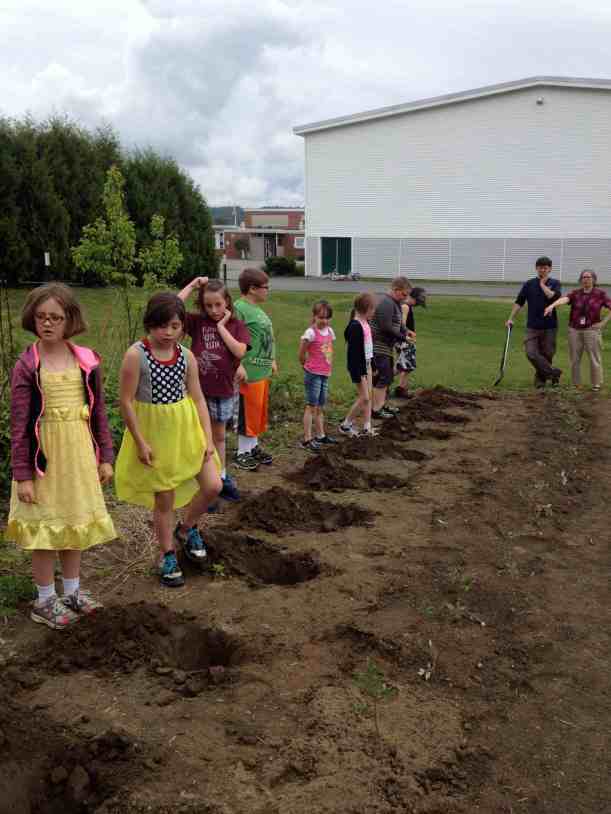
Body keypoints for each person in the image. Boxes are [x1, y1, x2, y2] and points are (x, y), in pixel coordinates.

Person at [7, 283, 116, 629]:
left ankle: (72, 592)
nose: (48, 323)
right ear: (32, 319)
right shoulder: (27, 366)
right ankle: (44, 600)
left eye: (56, 317)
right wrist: (23, 474)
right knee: (46, 529)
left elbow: (98, 414)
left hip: (79, 456)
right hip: (45, 462)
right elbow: (20, 425)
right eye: (41, 317)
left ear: (70, 320)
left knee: (73, 524)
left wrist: (105, 456)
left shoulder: (86, 361)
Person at [115, 292, 221, 588]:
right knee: (165, 499)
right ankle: (167, 554)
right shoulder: (137, 355)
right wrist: (139, 441)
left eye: (175, 326)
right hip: (155, 434)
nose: (168, 333)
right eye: (162, 326)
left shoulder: (186, 356)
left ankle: (186, 529)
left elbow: (198, 398)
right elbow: (124, 401)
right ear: (150, 324)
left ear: (182, 327)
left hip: (187, 430)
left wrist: (207, 437)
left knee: (213, 485)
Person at [178, 276, 251, 501]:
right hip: (197, 390)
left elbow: (239, 351)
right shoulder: (198, 322)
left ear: (227, 302)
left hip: (222, 390)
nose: (213, 310)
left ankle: (220, 477)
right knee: (199, 437)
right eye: (208, 305)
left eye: (218, 304)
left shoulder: (235, 325)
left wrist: (221, 326)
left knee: (218, 436)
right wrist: (191, 285)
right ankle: (203, 483)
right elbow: (173, 307)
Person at [233, 268, 277, 470]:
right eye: (265, 287)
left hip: (262, 372)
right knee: (247, 413)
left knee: (258, 413)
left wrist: (272, 359)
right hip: (248, 373)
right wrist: (238, 364)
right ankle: (242, 452)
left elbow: (266, 337)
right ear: (252, 289)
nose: (268, 291)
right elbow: (232, 339)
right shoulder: (239, 308)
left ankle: (253, 447)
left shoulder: (258, 310)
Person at [544, 269, 611, 391]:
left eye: (588, 277)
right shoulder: (576, 293)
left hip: (592, 330)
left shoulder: (600, 294)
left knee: (594, 358)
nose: (586, 279)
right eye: (583, 277)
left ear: (594, 279)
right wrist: (552, 306)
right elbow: (565, 299)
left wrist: (603, 323)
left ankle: (596, 384)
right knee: (574, 358)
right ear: (580, 280)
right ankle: (576, 384)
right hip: (574, 330)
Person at [506, 257, 562, 387]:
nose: (543, 270)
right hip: (532, 326)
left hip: (550, 326)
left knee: (547, 353)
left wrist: (542, 284)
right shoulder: (529, 284)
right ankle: (553, 372)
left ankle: (540, 380)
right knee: (531, 353)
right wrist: (511, 318)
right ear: (536, 268)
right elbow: (519, 302)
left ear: (550, 269)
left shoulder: (555, 283)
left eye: (545, 267)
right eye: (540, 267)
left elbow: (553, 297)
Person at [298, 300, 337, 451]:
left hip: (325, 374)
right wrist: (305, 365)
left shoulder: (330, 331)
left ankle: (321, 435)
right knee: (311, 406)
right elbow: (301, 353)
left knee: (320, 406)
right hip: (313, 374)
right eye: (321, 317)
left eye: (327, 318)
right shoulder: (310, 333)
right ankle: (307, 439)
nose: (324, 321)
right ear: (314, 316)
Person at [370, 276, 411, 418]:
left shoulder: (396, 303)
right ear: (395, 289)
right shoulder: (386, 302)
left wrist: (406, 331)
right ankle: (376, 409)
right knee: (384, 377)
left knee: (386, 377)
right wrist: (402, 337)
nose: (405, 298)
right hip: (378, 346)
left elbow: (398, 324)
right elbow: (385, 326)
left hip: (386, 347)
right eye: (403, 294)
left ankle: (381, 405)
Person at [340, 293, 378, 437]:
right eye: (373, 309)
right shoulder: (355, 326)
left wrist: (372, 365)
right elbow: (354, 354)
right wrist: (360, 371)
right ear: (366, 309)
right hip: (358, 367)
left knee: (369, 396)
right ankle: (345, 425)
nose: (374, 312)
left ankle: (367, 426)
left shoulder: (365, 323)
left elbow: (369, 348)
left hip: (367, 365)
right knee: (365, 397)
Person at [394, 286, 427, 398]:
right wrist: (409, 334)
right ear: (415, 298)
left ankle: (401, 389)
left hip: (406, 340)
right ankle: (381, 381)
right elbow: (401, 325)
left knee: (407, 366)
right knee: (402, 366)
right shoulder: (405, 307)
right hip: (404, 341)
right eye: (419, 301)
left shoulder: (407, 307)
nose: (418, 304)